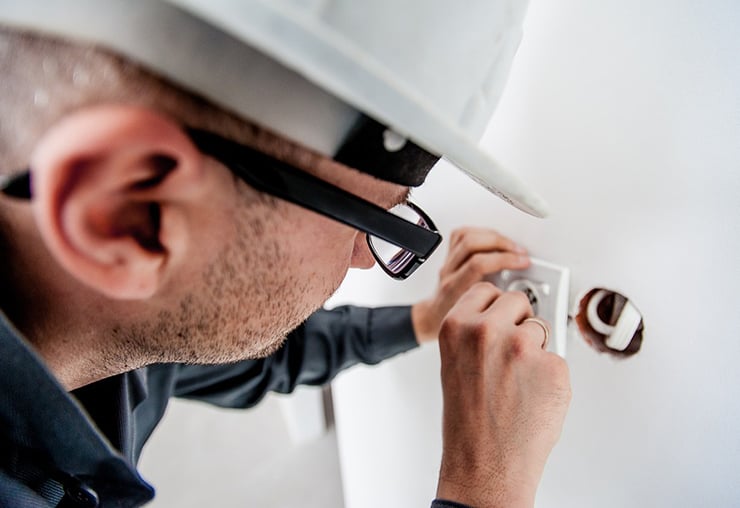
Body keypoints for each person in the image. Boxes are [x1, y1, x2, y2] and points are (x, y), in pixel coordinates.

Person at [0, 2, 571, 507]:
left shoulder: (116, 326)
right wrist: (483, 493)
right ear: (128, 214)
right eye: (368, 220)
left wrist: (423, 320)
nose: (366, 259)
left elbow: (264, 356)